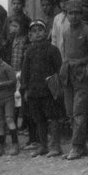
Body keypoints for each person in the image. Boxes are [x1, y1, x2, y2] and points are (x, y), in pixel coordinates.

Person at [58, 0, 88, 159]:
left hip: (82, 76)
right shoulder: (66, 31)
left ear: (81, 14)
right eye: (71, 13)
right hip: (68, 75)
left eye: (77, 13)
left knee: (79, 112)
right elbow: (65, 54)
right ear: (67, 15)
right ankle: (82, 147)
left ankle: (76, 147)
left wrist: (87, 71)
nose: (74, 16)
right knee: (70, 112)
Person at [19, 20, 64, 158]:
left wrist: (58, 88)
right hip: (34, 90)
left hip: (49, 91)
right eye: (34, 31)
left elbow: (59, 70)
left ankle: (55, 146)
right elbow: (25, 71)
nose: (37, 33)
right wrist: (25, 89)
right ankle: (43, 145)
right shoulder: (29, 52)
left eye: (40, 30)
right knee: (39, 119)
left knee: (53, 118)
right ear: (30, 35)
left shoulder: (53, 50)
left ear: (46, 32)